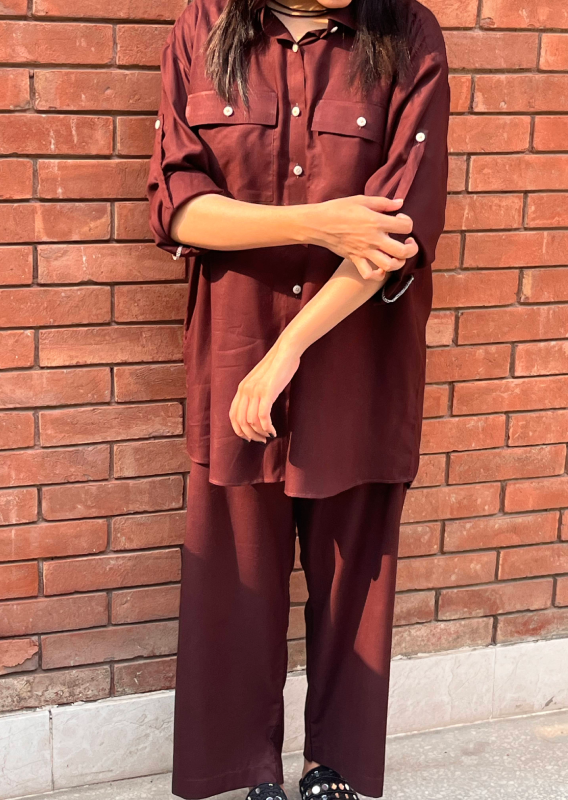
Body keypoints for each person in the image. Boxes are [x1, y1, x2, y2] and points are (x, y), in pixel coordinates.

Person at [146, 0, 450, 796]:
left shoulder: (407, 33)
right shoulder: (204, 28)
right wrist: (322, 223)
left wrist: (288, 350)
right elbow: (179, 205)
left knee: (353, 582)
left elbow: (397, 229)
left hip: (360, 361)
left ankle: (332, 766)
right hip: (234, 350)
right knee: (235, 580)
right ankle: (249, 770)